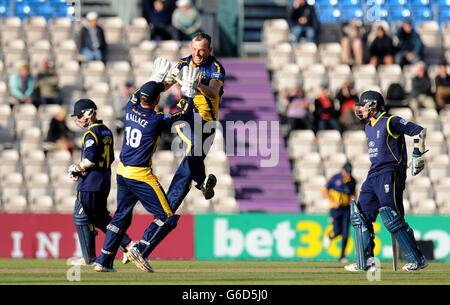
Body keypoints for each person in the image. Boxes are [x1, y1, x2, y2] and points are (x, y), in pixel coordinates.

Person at [94, 59, 198, 272]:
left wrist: (155, 79)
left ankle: (103, 261)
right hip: (140, 175)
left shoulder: (131, 107)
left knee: (121, 216)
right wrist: (189, 92)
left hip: (122, 172)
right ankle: (140, 249)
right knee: (166, 217)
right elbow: (183, 113)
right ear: (157, 100)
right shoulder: (155, 119)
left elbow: (139, 93)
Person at [344, 90, 429, 272]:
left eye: (362, 105)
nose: (360, 109)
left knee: (392, 217)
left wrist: (416, 153)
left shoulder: (391, 121)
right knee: (360, 216)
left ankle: (417, 259)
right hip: (373, 174)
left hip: (391, 173)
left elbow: (419, 131)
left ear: (373, 105)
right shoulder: (368, 126)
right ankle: (367, 261)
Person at [67, 98, 133, 268]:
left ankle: (89, 257)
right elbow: (110, 158)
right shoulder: (106, 131)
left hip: (90, 183)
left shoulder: (91, 133)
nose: (79, 119)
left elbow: (89, 160)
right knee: (101, 219)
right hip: (104, 180)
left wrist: (76, 168)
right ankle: (127, 245)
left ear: (89, 114)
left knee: (83, 217)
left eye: (80, 115)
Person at [163, 32, 225, 213]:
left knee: (189, 166)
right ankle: (202, 181)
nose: (198, 54)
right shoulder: (183, 64)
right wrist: (157, 82)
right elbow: (167, 84)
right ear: (191, 48)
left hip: (208, 123)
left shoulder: (216, 68)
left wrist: (197, 84)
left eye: (202, 51)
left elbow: (214, 92)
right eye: (195, 50)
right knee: (194, 146)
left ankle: (168, 209)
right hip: (186, 117)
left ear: (210, 50)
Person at [322, 162, 356, 263]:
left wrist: (354, 202)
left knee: (345, 232)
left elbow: (353, 194)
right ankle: (330, 236)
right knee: (337, 231)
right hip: (335, 209)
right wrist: (332, 201)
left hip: (346, 208)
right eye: (347, 172)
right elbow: (324, 190)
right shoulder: (335, 178)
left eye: (349, 172)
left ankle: (342, 256)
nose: (348, 174)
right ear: (342, 170)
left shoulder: (352, 181)